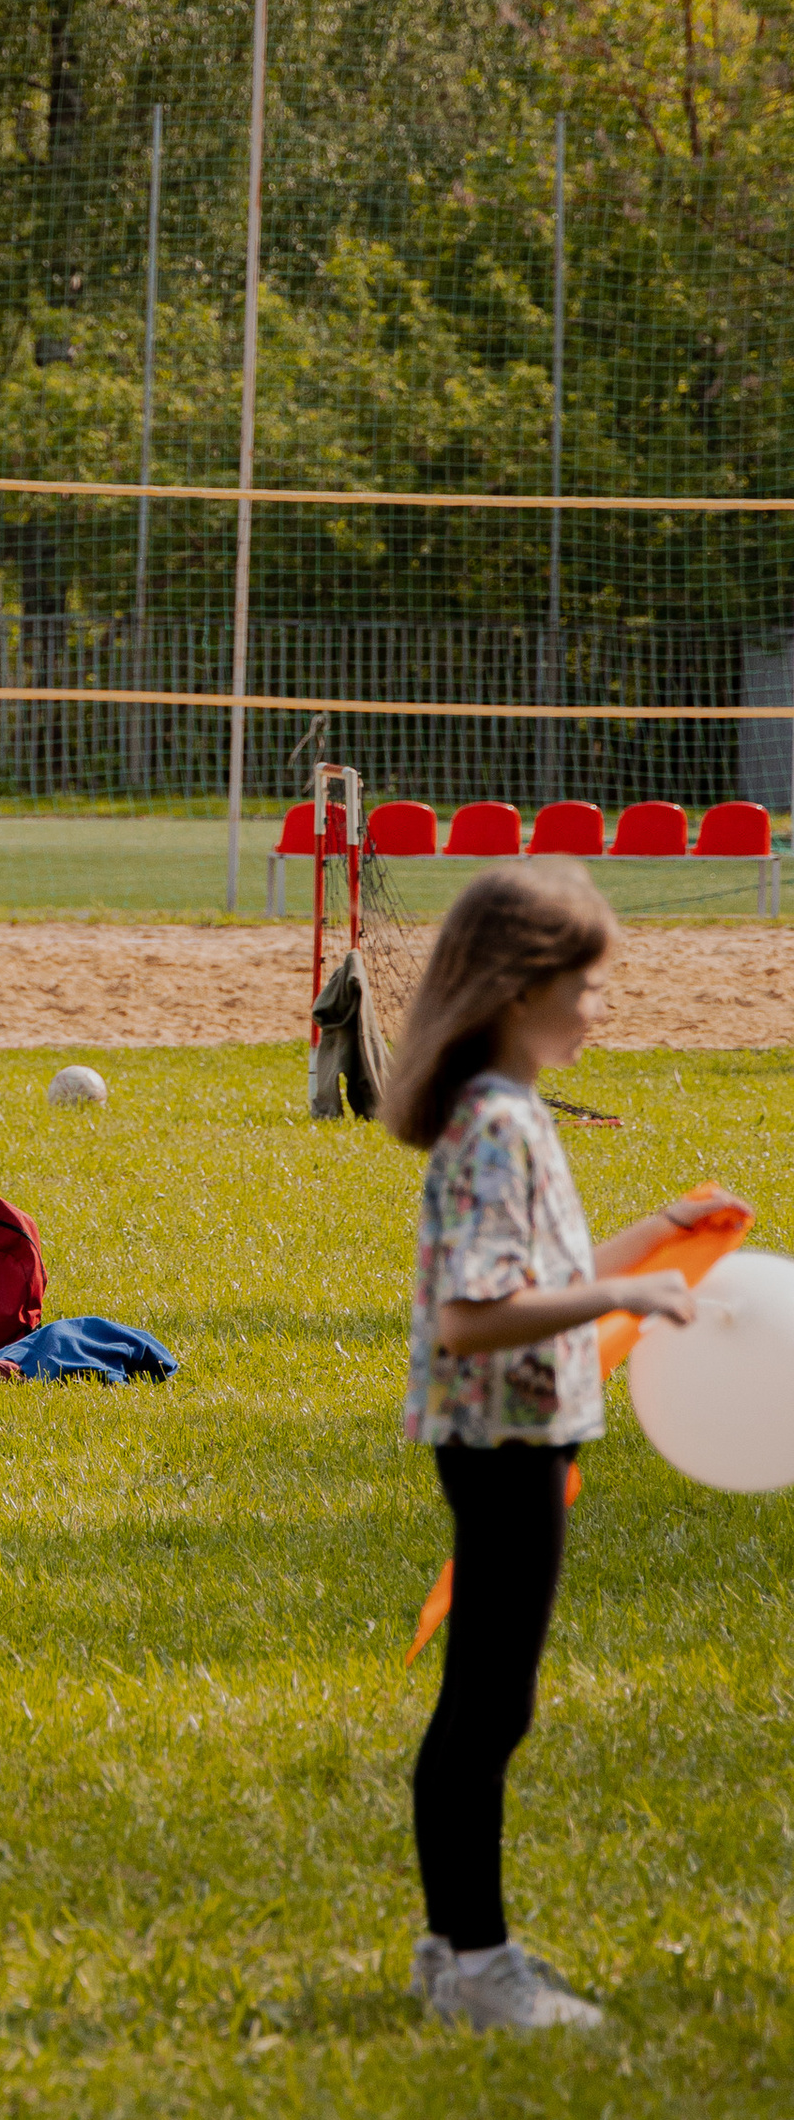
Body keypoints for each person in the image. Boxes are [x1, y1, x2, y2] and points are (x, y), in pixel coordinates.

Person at [382, 861, 725, 2035]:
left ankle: (451, 1953)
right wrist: (632, 1295)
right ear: (521, 988)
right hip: (504, 1443)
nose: (598, 1007)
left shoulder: (510, 1112)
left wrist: (656, 1238)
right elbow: (473, 1316)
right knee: (489, 1710)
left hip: (510, 1437)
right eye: (586, 985)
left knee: (483, 1703)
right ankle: (480, 1969)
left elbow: (544, 1278)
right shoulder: (494, 1126)